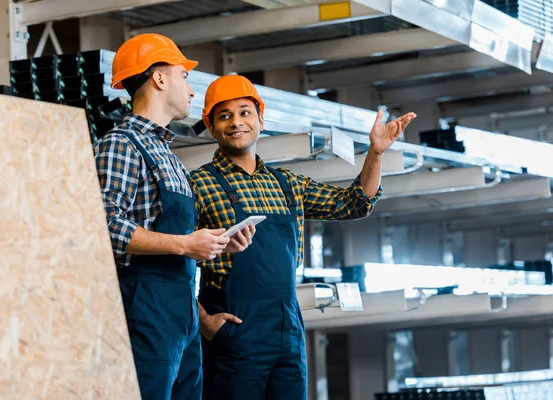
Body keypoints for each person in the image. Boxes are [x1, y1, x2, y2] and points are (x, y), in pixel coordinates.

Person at [191, 74, 416, 400]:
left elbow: (354, 204)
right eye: (224, 115)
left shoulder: (287, 184)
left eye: (244, 112)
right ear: (211, 127)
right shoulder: (198, 185)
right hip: (233, 330)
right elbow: (174, 262)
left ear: (260, 120)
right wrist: (205, 322)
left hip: (288, 329)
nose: (236, 122)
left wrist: (376, 154)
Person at [94, 35, 253, 400]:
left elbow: (171, 234)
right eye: (184, 76)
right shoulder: (121, 144)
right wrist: (184, 244)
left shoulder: (169, 155)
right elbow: (105, 226)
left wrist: (216, 244)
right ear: (160, 79)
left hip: (181, 313)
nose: (192, 92)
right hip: (143, 311)